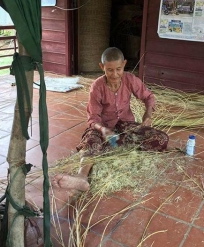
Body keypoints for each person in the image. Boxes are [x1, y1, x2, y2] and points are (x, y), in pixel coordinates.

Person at [52, 47, 169, 194]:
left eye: (118, 69)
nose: (115, 74)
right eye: (110, 70)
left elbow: (149, 97)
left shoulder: (130, 80)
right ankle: (82, 177)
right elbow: (93, 119)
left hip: (126, 125)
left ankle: (110, 150)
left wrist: (148, 114)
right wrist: (103, 130)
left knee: (161, 138)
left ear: (124, 64)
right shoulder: (97, 87)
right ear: (102, 67)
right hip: (103, 127)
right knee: (92, 139)